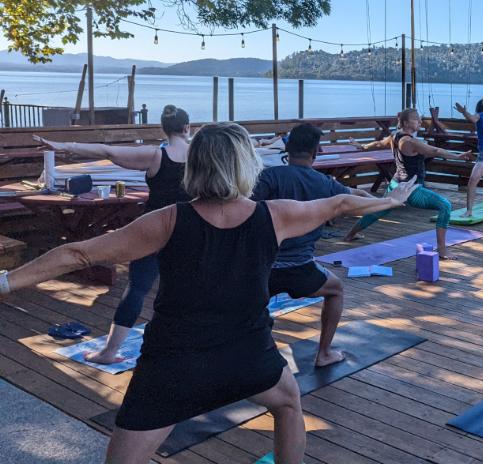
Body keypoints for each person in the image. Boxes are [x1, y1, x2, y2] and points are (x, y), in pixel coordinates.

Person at [1, 122, 418, 464]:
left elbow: (77, 253)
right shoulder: (274, 215)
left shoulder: (167, 220)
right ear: (244, 166)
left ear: (196, 166)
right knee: (288, 403)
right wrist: (392, 200)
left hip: (174, 365)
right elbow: (341, 205)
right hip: (248, 357)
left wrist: (7, 281)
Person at [33, 104, 193, 365]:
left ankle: (109, 352)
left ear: (164, 130)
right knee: (188, 287)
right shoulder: (201, 155)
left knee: (138, 289)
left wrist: (61, 145)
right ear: (188, 128)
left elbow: (106, 151)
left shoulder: (155, 156)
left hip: (153, 230)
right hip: (188, 229)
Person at [251, 123, 377, 367]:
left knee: (251, 305)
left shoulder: (268, 177)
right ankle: (324, 354)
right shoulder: (325, 184)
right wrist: (387, 201)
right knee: (336, 290)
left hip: (263, 268)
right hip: (301, 268)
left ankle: (251, 355)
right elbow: (355, 198)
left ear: (287, 148)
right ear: (316, 151)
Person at [344, 108, 473, 260]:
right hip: (411, 190)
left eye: (419, 119)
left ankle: (350, 235)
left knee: (379, 210)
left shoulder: (395, 136)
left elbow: (379, 143)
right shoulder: (410, 141)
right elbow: (435, 150)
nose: (419, 122)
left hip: (395, 185)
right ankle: (442, 250)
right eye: (416, 119)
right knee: (445, 206)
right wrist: (457, 156)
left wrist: (362, 146)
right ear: (405, 122)